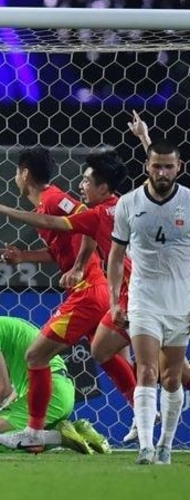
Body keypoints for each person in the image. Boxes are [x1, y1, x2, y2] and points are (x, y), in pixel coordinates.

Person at [0, 150, 137, 449]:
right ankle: (141, 409)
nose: (16, 178)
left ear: (24, 174)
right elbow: (63, 245)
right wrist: (24, 257)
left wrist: (80, 267)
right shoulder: (46, 205)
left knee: (35, 356)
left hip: (89, 290)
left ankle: (35, 432)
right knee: (105, 354)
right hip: (95, 289)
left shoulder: (53, 199)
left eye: (17, 172)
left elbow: (83, 221)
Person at [108, 140, 190, 465]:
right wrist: (114, 301)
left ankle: (165, 445)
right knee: (146, 370)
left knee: (171, 377)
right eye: (157, 166)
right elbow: (116, 257)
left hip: (181, 301)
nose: (162, 172)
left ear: (179, 168)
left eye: (169, 166)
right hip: (143, 299)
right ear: (147, 166)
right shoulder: (128, 203)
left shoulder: (188, 202)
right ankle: (145, 446)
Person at [0, 302, 107, 454]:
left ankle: (59, 437)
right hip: (62, 391)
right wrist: (0, 411)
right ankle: (80, 430)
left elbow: (2, 389)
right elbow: (14, 388)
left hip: (49, 395)